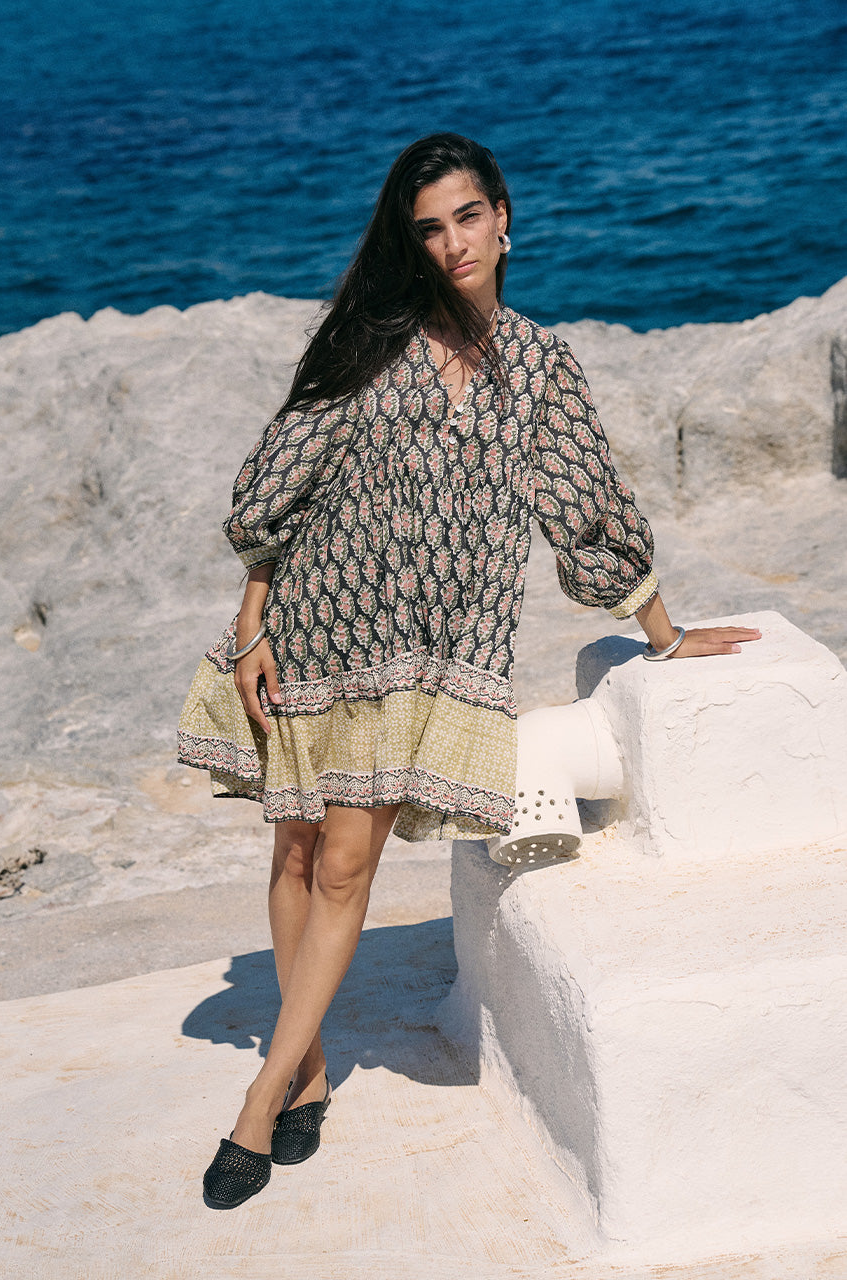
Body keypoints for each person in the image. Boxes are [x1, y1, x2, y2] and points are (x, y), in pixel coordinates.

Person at [177, 133, 760, 1209]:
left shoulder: (539, 367)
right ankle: (304, 1064)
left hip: (427, 655)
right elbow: (280, 484)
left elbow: (587, 504)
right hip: (315, 624)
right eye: (429, 227)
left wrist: (664, 632)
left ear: (504, 218)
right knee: (297, 849)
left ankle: (262, 1098)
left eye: (467, 217)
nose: (452, 243)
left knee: (347, 863)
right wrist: (252, 624)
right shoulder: (376, 337)